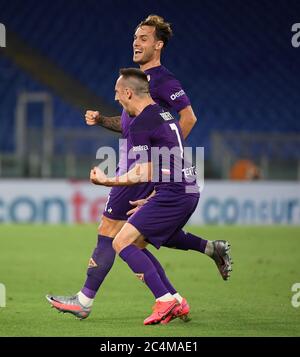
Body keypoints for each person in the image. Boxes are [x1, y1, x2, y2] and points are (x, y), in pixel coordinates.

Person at [46, 15, 232, 321]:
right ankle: (186, 281)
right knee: (141, 238)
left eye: (144, 38)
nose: (136, 42)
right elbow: (129, 123)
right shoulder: (137, 82)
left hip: (143, 169)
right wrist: (102, 120)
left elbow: (188, 118)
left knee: (112, 232)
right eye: (135, 37)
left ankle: (84, 300)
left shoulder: (164, 81)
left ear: (158, 45)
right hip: (143, 166)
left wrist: (165, 160)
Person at [89, 68, 200, 324]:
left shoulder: (141, 122)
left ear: (128, 92)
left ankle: (165, 300)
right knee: (136, 241)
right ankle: (175, 299)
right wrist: (154, 194)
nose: (116, 98)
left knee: (121, 242)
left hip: (174, 191)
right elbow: (166, 160)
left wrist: (107, 180)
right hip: (183, 187)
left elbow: (144, 169)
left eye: (117, 93)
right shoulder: (164, 114)